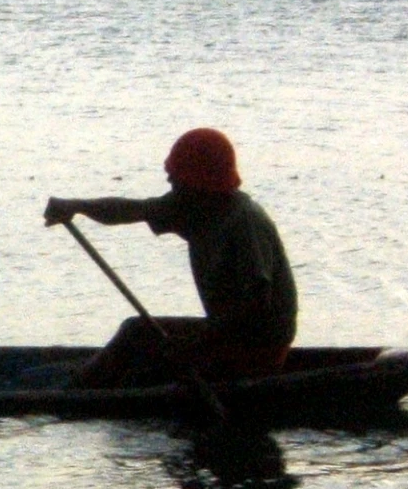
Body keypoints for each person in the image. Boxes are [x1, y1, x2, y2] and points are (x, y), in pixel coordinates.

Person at [43, 128, 297, 388]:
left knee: (141, 355)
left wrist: (193, 344)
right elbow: (131, 210)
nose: (171, 186)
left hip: (257, 351)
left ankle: (70, 395)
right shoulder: (193, 207)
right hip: (223, 337)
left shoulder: (244, 222)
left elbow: (255, 305)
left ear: (200, 184)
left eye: (177, 181)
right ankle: (80, 387)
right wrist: (76, 206)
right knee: (138, 333)